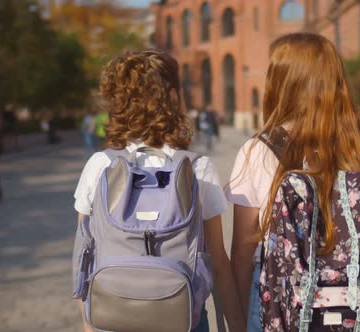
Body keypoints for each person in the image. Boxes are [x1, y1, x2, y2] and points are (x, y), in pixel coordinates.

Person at [225, 33, 360, 331]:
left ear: (282, 83)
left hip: (275, 302)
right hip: (349, 306)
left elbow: (242, 249)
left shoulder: (259, 150)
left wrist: (238, 321)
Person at [73, 49, 245, 332]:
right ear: (174, 98)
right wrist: (237, 326)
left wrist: (89, 327)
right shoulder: (197, 168)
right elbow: (218, 263)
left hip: (113, 317)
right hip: (182, 317)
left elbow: (84, 255)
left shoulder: (100, 166)